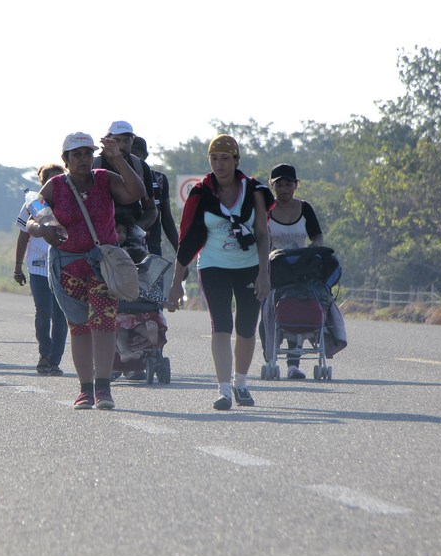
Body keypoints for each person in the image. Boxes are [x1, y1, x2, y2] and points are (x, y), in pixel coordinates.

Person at [26, 132, 146, 410]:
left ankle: (104, 388)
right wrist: (42, 230)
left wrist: (117, 157)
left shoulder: (106, 178)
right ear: (65, 159)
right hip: (68, 267)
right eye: (76, 154)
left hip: (102, 265)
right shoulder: (55, 186)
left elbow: (135, 193)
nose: (83, 159)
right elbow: (30, 221)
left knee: (103, 324)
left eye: (87, 153)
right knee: (79, 328)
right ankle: (85, 390)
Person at [166, 135, 273, 410]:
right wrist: (177, 282)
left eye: (225, 158)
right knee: (221, 325)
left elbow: (262, 233)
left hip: (249, 266)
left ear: (236, 160)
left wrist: (264, 272)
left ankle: (241, 383)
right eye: (214, 158)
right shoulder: (201, 193)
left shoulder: (255, 190)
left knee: (247, 328)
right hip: (213, 265)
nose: (219, 164)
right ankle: (224, 389)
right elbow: (187, 238)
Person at [265, 163, 324, 380]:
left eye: (288, 184)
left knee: (296, 308)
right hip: (273, 268)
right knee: (269, 310)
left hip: (300, 268)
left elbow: (317, 235)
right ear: (272, 186)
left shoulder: (305, 208)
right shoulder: (265, 209)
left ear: (296, 185)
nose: (284, 189)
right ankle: (270, 357)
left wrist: (314, 247)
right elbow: (259, 237)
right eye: (279, 185)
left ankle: (293, 364)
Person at [14, 163, 68, 376]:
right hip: (37, 267)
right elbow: (22, 234)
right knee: (43, 313)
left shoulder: (69, 203)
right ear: (42, 182)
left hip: (64, 265)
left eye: (58, 178)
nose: (53, 183)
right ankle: (44, 354)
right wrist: (18, 267)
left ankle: (55, 360)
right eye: (49, 180)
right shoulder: (32, 205)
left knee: (61, 314)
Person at [93, 121, 158, 235]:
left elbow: (151, 209)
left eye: (126, 140)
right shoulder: (94, 165)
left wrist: (135, 229)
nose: (121, 146)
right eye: (116, 140)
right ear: (107, 140)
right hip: (100, 232)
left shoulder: (140, 166)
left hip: (130, 231)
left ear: (132, 141)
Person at [130, 136, 179, 256]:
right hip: (124, 244)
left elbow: (167, 220)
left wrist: (181, 255)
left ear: (145, 156)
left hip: (152, 246)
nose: (133, 162)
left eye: (136, 157)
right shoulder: (116, 179)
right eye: (129, 157)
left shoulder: (159, 179)